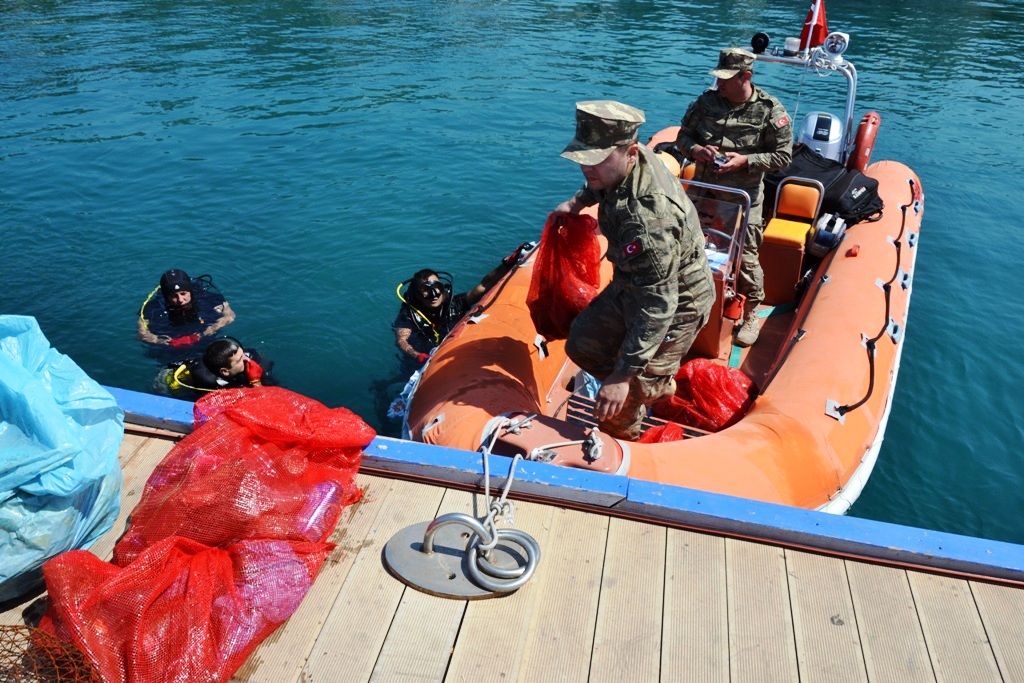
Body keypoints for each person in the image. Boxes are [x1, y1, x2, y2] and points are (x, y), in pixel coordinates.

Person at [554, 100, 715, 441]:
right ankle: (655, 381)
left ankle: (622, 434)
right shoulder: (629, 161)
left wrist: (621, 378)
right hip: (634, 282)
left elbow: (659, 307)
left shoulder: (647, 221)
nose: (587, 167)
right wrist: (578, 202)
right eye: (583, 157)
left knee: (626, 393)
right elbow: (601, 183)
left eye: (596, 158)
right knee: (581, 342)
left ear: (629, 152)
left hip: (677, 302)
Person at [674, 48, 794, 347]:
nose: (721, 84)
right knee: (684, 245)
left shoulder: (770, 110)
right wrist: (696, 150)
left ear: (746, 76)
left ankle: (750, 312)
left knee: (747, 256)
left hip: (743, 195)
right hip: (703, 190)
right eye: (719, 77)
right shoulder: (706, 102)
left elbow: (782, 156)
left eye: (727, 79)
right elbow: (682, 137)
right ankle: (681, 304)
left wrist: (746, 161)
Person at [393, 244, 533, 366]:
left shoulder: (455, 304)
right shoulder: (410, 315)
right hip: (422, 353)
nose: (434, 294)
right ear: (417, 295)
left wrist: (507, 264)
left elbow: (483, 286)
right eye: (426, 291)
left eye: (437, 287)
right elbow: (402, 340)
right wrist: (417, 354)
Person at [137, 269, 236, 347]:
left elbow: (230, 316)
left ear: (190, 291)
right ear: (166, 296)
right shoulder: (151, 309)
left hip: (205, 340)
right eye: (174, 296)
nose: (180, 299)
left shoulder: (210, 299)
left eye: (183, 294)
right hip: (170, 348)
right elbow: (142, 333)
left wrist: (207, 332)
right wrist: (163, 341)